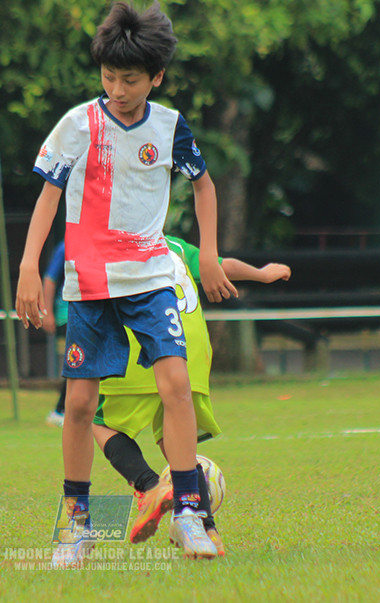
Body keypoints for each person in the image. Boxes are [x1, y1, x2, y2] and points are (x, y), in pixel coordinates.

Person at [15, 0, 237, 565]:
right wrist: (27, 268)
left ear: (156, 77)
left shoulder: (169, 127)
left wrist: (208, 253)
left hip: (151, 277)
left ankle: (189, 512)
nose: (117, 88)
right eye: (109, 76)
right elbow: (47, 199)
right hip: (88, 285)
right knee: (81, 406)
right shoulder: (76, 125)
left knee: (176, 386)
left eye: (130, 79)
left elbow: (205, 186)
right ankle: (76, 527)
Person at [92, 236, 290, 557]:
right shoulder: (178, 247)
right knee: (178, 446)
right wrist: (262, 274)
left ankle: (151, 487)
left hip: (141, 346)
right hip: (192, 352)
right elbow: (222, 264)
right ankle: (206, 528)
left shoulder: (111, 239)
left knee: (98, 422)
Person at [42, 240, 67, 427]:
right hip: (70, 312)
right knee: (79, 362)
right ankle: (60, 410)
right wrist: (47, 312)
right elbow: (50, 279)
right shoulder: (66, 246)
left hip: (96, 310)